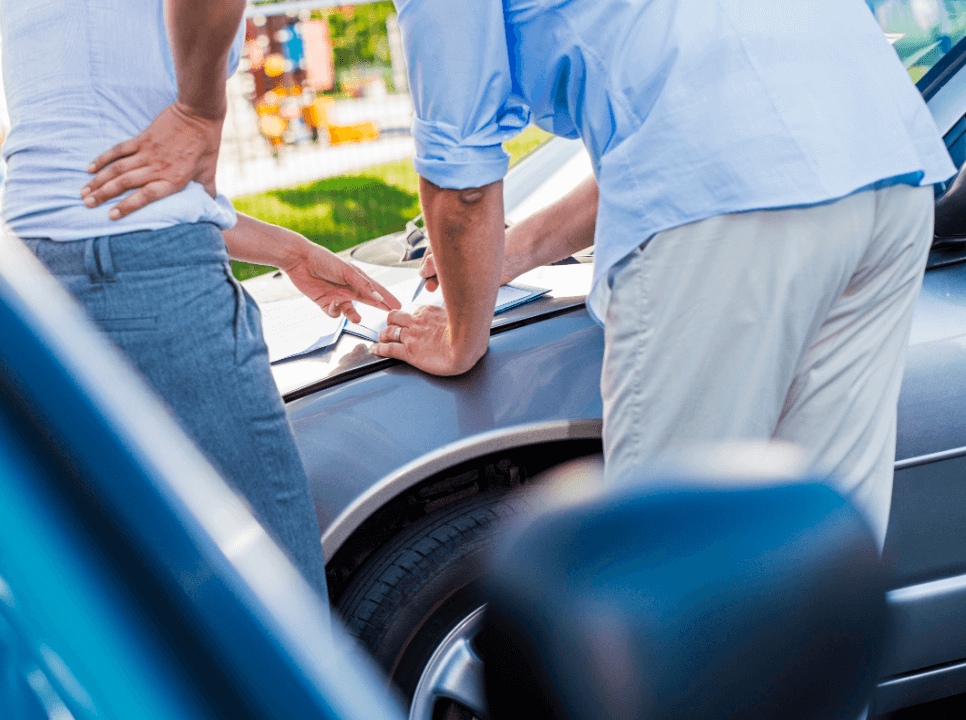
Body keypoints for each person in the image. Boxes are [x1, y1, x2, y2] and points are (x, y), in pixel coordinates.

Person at [368, 0, 954, 545]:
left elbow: (461, 181)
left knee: (675, 559)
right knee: (818, 546)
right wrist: (510, 254)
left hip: (736, 205)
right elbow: (690, 129)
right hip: (886, 164)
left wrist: (459, 340)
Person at [0, 0, 400, 598]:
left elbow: (118, 187)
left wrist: (289, 250)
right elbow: (138, 196)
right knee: (279, 604)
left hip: (35, 277)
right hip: (147, 282)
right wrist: (199, 109)